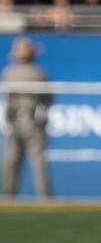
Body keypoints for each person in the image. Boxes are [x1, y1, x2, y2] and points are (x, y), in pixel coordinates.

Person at [2, 38, 51, 197]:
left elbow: (9, 100)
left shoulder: (9, 72)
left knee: (12, 161)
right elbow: (48, 99)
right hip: (33, 122)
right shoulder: (40, 73)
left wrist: (9, 120)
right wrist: (41, 119)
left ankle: (9, 196)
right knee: (38, 161)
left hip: (16, 121)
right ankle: (44, 196)